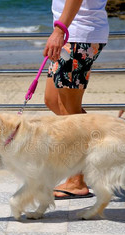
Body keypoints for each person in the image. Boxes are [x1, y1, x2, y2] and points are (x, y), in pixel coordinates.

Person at [43, 0, 109, 199]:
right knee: (53, 101)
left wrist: (59, 30)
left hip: (78, 35)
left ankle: (77, 181)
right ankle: (101, 148)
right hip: (71, 35)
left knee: (70, 114)